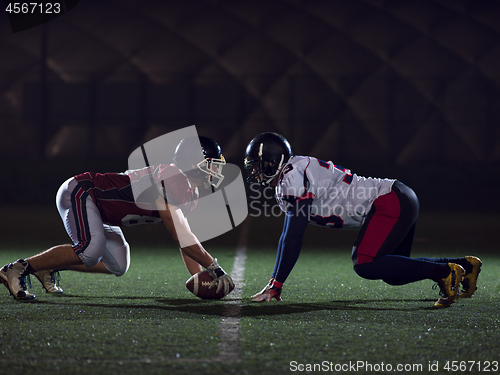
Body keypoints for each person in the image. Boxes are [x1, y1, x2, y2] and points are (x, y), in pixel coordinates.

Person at [244, 132, 482, 308]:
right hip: (397, 196)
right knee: (393, 272)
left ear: (273, 162)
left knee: (364, 263)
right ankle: (464, 266)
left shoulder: (291, 176)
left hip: (388, 201)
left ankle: (444, 272)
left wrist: (276, 284)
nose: (254, 172)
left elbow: (292, 237)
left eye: (257, 166)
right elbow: (291, 235)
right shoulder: (293, 173)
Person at [0, 136, 234, 300]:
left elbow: (185, 242)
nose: (215, 171)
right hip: (82, 191)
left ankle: (45, 268)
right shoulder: (172, 179)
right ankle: (16, 268)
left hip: (100, 209)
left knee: (119, 264)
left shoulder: (188, 192)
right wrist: (214, 267)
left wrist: (199, 277)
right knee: (91, 250)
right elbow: (183, 238)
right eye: (211, 165)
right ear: (193, 164)